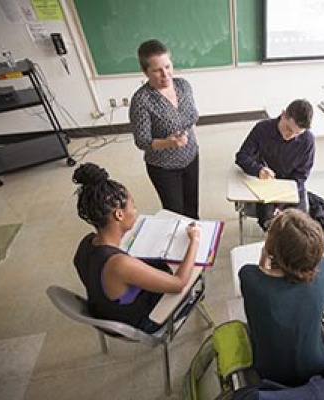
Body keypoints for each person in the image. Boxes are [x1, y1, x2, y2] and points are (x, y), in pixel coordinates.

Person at [72, 162, 201, 333]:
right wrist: (195, 240)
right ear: (119, 215)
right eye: (133, 206)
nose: (136, 210)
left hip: (105, 312)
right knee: (195, 278)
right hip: (137, 322)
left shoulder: (86, 243)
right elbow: (178, 284)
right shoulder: (119, 264)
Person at [239, 209, 324, 387]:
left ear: (270, 247)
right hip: (318, 369)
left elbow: (261, 271)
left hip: (269, 374)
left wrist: (265, 255)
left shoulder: (249, 277)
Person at [130, 39, 200, 219]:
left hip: (191, 157)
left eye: (168, 67)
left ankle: (196, 240)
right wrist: (168, 143)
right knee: (175, 214)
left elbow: (192, 117)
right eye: (157, 70)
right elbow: (142, 141)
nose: (165, 74)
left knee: (192, 207)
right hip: (164, 167)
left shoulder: (184, 86)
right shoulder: (142, 100)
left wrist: (194, 141)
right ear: (145, 72)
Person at [235, 99, 315, 230]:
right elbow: (242, 156)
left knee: (300, 227)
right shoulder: (262, 129)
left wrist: (281, 205)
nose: (290, 136)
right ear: (283, 114)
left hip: (291, 187)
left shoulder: (307, 140)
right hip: (266, 185)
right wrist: (258, 170)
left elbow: (301, 176)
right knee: (271, 223)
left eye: (297, 133)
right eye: (288, 128)